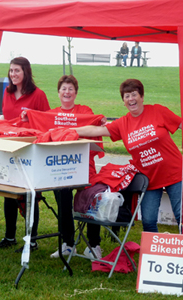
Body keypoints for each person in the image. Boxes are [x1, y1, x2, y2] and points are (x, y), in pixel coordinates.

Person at [74, 79, 183, 233]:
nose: (131, 99)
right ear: (123, 101)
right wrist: (70, 131)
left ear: (142, 96)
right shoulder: (122, 123)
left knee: (182, 216)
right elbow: (97, 130)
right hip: (150, 179)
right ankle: (154, 253)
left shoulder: (158, 111)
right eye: (127, 96)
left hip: (175, 174)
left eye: (134, 94)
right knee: (148, 220)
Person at [40, 75, 106, 259]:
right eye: (63, 89)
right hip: (61, 168)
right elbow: (37, 125)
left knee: (91, 198)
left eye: (70, 89)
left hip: (84, 165)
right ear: (58, 92)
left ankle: (94, 244)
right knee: (62, 199)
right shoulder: (51, 114)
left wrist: (99, 121)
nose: (67, 92)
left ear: (75, 93)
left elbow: (95, 125)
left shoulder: (85, 111)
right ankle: (68, 243)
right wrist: (26, 117)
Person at [0, 57, 50, 252]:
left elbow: (47, 122)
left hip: (30, 151)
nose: (13, 74)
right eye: (11, 71)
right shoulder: (7, 93)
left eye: (17, 71)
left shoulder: (38, 95)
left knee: (28, 196)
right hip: (9, 148)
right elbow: (7, 121)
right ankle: (9, 236)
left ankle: (31, 240)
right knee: (8, 193)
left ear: (26, 72)